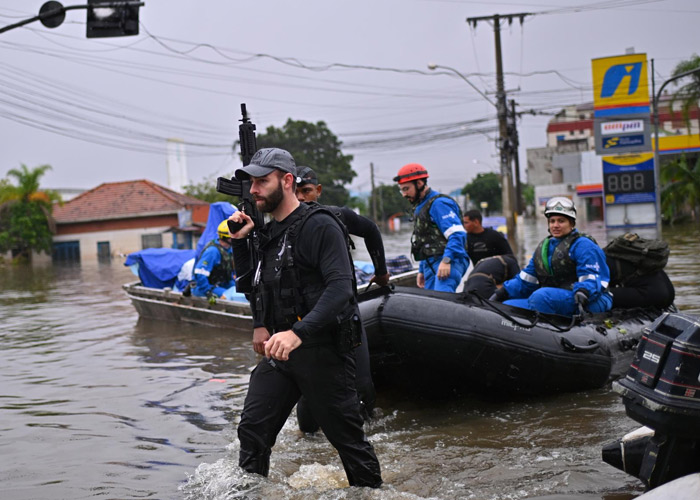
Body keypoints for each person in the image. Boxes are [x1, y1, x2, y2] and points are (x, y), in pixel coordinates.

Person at [227, 148, 382, 488]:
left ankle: (371, 494)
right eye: (251, 183)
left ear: (286, 181)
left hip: (324, 353)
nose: (253, 190)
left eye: (261, 182)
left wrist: (298, 332)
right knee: (252, 431)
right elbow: (248, 286)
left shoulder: (320, 225)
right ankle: (250, 494)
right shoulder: (268, 233)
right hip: (280, 355)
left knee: (349, 444)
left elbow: (341, 289)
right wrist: (240, 243)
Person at [295, 166, 387, 427]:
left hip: (344, 312)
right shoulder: (283, 227)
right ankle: (309, 444)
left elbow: (370, 230)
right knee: (309, 390)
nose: (301, 198)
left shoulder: (335, 217)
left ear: (318, 191)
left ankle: (367, 433)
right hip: (307, 317)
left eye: (307, 192)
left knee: (361, 384)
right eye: (296, 192)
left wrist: (381, 272)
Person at [492, 197, 613, 316]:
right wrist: (503, 291)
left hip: (589, 299)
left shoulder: (584, 245)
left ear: (571, 223)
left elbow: (592, 278)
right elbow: (526, 280)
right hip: (556, 297)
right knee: (508, 305)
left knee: (541, 296)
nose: (555, 225)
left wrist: (584, 291)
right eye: (552, 221)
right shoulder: (544, 248)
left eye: (561, 221)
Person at [394, 163, 469, 292]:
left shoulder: (439, 204)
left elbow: (457, 235)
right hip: (431, 263)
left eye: (406, 189)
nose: (404, 194)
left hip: (447, 261)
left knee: (442, 305)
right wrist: (422, 270)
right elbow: (425, 241)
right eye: (402, 190)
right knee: (430, 304)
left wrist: (446, 260)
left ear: (419, 184)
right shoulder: (421, 206)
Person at [462, 209, 520, 298]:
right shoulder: (465, 239)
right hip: (480, 276)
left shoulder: (495, 236)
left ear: (476, 222)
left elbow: (511, 257)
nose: (464, 226)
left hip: (499, 276)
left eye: (466, 223)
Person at [606, 255, 675, 309]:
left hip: (653, 294)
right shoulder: (616, 254)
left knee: (601, 296)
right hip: (669, 294)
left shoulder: (598, 261)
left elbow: (596, 292)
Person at [191, 220, 235, 298]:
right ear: (226, 237)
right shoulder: (213, 252)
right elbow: (200, 274)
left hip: (222, 284)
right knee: (230, 296)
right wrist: (207, 291)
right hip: (207, 287)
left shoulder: (228, 250)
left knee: (240, 291)